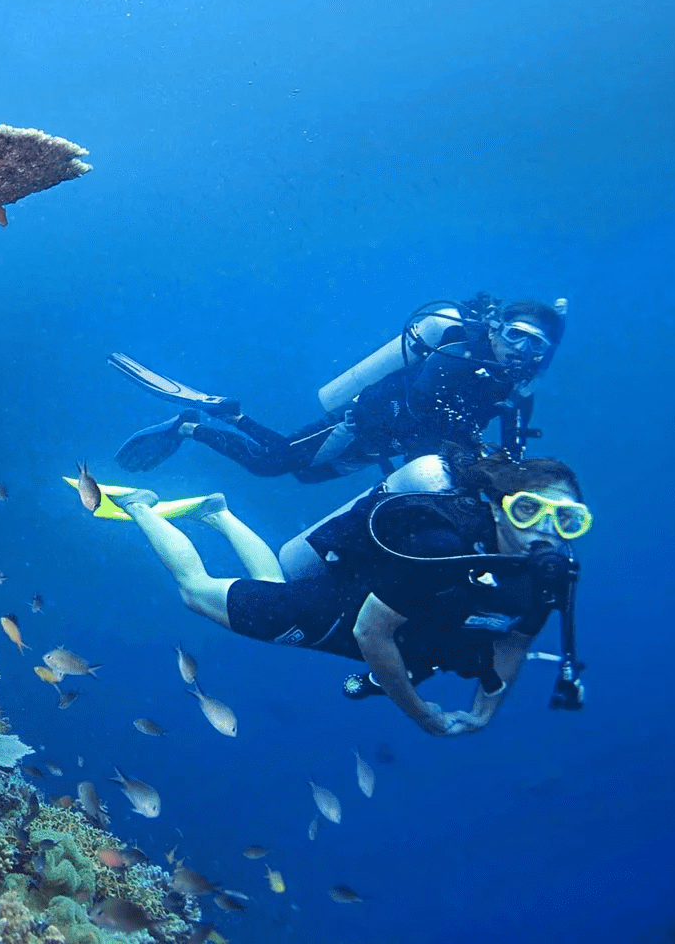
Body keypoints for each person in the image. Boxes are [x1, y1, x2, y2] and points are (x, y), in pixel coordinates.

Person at [89, 446, 590, 735]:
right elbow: (373, 634)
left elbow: (514, 641)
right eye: (528, 510)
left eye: (566, 519)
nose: (543, 531)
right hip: (341, 614)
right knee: (195, 594)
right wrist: (419, 713)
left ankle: (218, 513)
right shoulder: (443, 548)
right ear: (501, 507)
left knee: (274, 586)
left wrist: (483, 713)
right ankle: (139, 505)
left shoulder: (547, 579)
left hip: (388, 628)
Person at [113, 294, 567, 483]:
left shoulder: (516, 388)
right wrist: (464, 455)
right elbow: (422, 408)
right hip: (362, 423)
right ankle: (194, 423)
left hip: (385, 443)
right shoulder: (454, 355)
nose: (521, 349)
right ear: (495, 328)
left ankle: (232, 414)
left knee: (301, 468)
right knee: (271, 465)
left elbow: (514, 448)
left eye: (535, 344)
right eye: (515, 334)